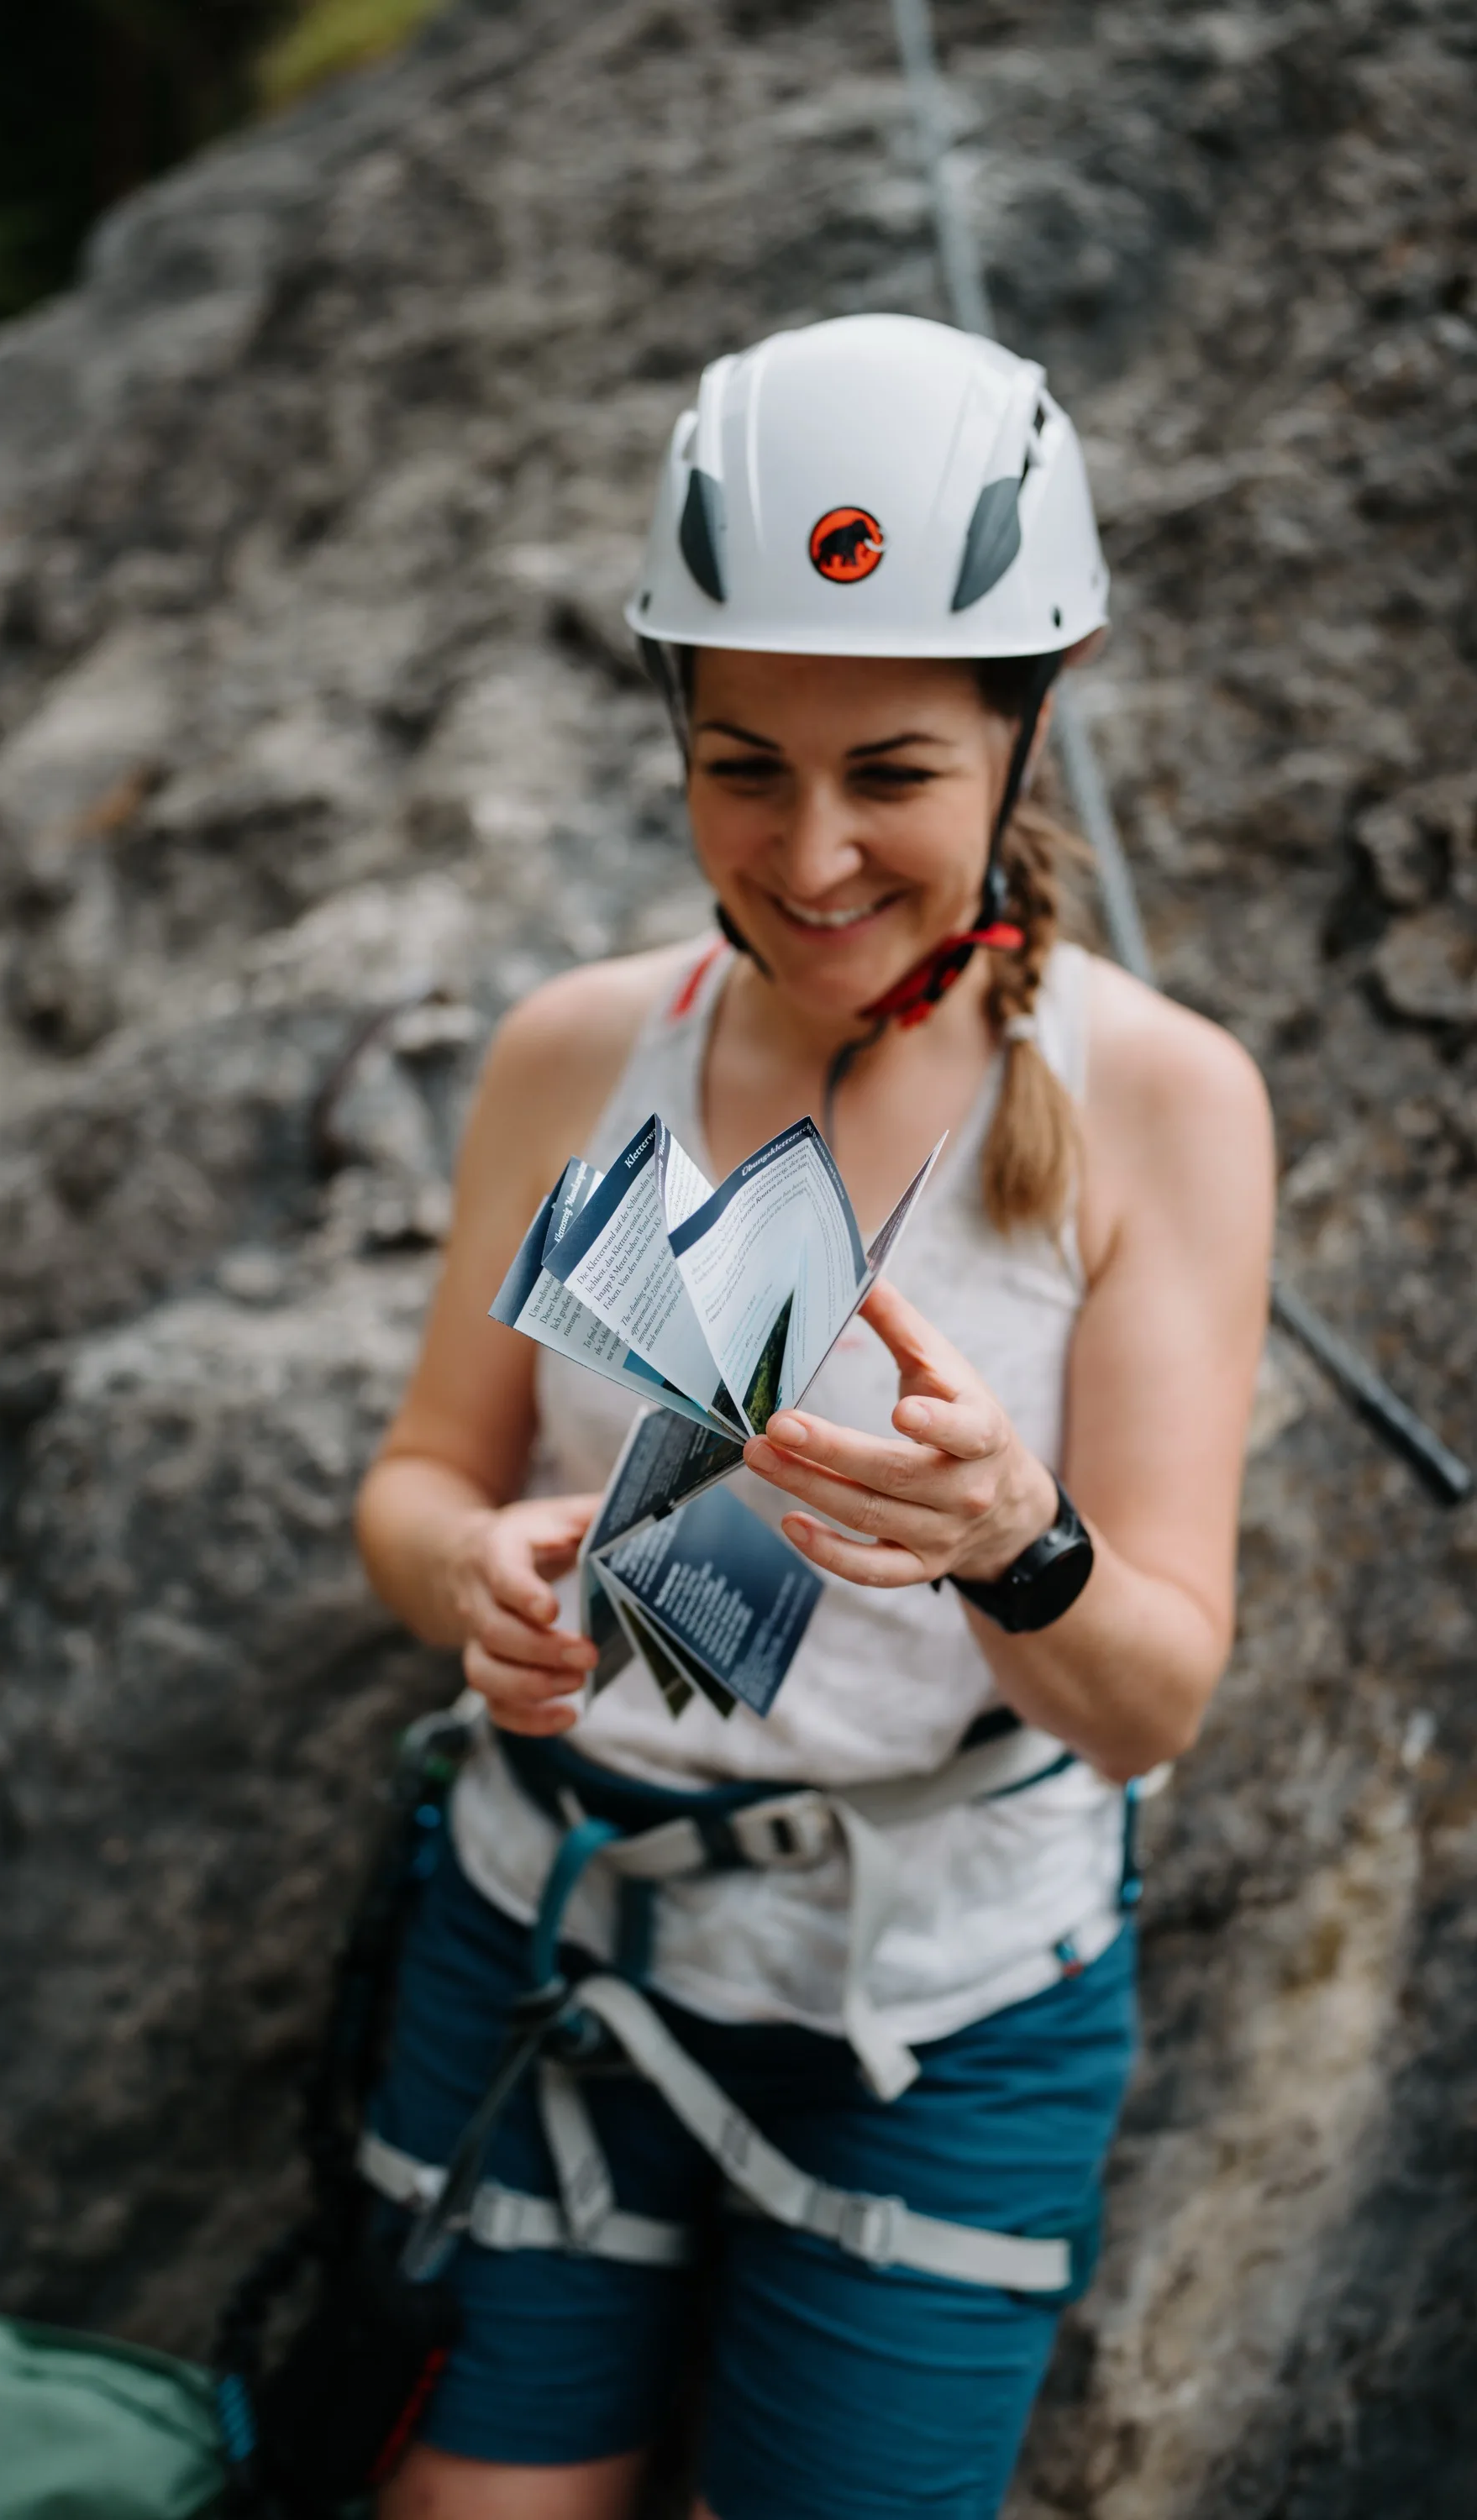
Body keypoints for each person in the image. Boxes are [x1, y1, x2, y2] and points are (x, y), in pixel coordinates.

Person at [355, 313, 1274, 2520]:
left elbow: (1149, 1702)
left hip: (938, 2008)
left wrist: (1014, 1538)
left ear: (1023, 736)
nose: (814, 852)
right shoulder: (584, 1055)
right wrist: (465, 1573)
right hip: (557, 1922)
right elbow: (418, 1480)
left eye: (895, 774)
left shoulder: (1154, 1104)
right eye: (744, 762)